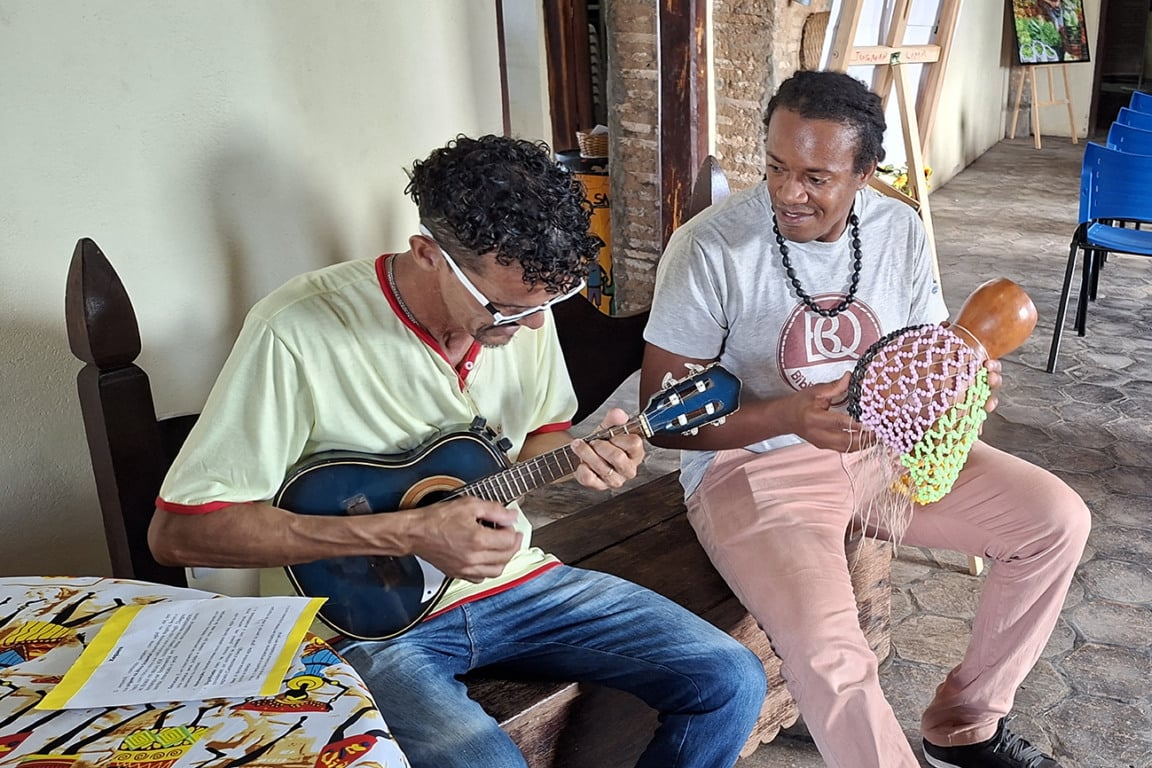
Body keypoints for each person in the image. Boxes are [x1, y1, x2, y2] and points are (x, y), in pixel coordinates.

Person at [149, 134, 767, 768]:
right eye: (506, 308)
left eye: (546, 304)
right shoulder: (298, 329)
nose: (530, 326)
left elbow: (543, 435)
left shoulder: (527, 308)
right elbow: (181, 535)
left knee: (729, 679)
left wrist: (586, 458)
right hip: (361, 626)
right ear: (427, 254)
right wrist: (412, 529)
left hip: (512, 581)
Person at [639, 71, 1090, 768]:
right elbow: (662, 420)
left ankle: (964, 726)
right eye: (775, 168)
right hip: (755, 468)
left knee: (1055, 521)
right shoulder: (709, 248)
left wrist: (958, 378)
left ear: (864, 172)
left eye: (816, 177)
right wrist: (786, 416)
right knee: (832, 655)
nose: (789, 193)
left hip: (885, 452)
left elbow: (923, 351)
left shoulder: (899, 227)